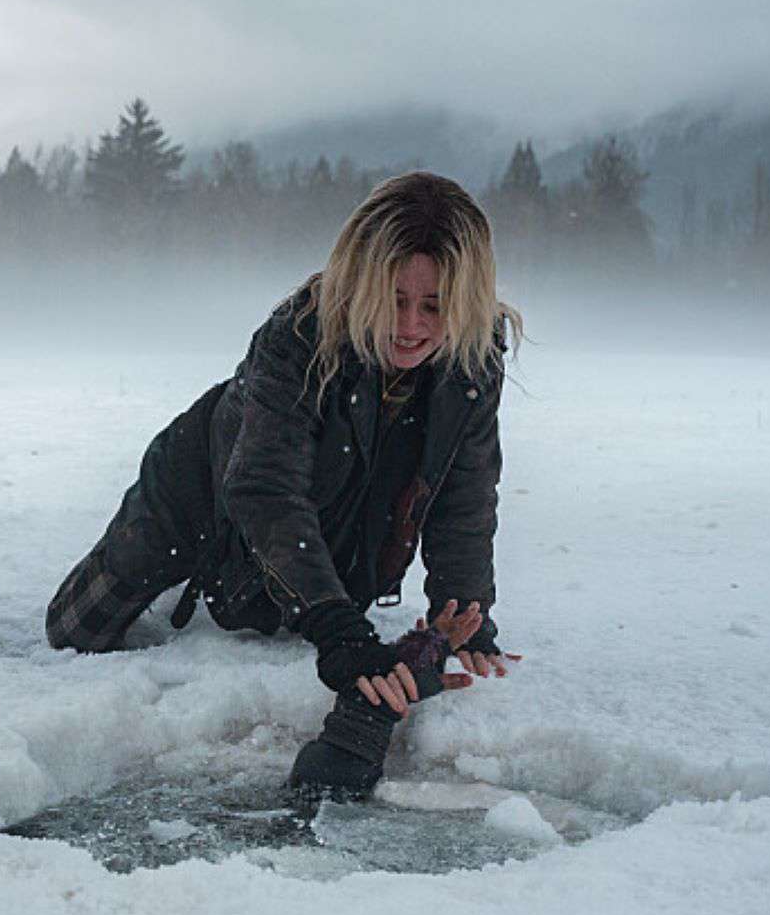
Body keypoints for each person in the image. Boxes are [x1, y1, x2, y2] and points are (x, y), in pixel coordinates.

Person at [45, 172, 523, 797]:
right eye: (393, 299)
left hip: (342, 507)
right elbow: (265, 487)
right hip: (197, 494)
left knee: (301, 601)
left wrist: (464, 610)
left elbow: (465, 488)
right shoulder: (300, 334)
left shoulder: (473, 353)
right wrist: (338, 632)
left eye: (432, 305)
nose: (409, 325)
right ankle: (201, 576)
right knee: (75, 631)